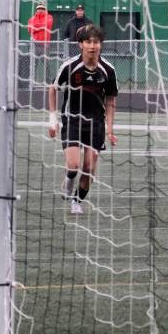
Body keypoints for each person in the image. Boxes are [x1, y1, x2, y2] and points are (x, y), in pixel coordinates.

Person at [47, 24, 119, 214]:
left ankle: (77, 201)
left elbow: (111, 100)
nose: (92, 46)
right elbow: (53, 88)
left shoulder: (108, 70)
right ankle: (69, 180)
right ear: (80, 44)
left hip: (96, 124)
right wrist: (52, 119)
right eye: (88, 41)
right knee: (73, 165)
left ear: (101, 45)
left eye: (96, 42)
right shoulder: (70, 66)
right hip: (72, 120)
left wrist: (110, 129)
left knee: (88, 168)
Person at [28, 0, 54, 83]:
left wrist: (36, 26)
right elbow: (30, 29)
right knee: (33, 65)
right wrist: (41, 26)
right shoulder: (32, 19)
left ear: (45, 9)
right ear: (36, 9)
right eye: (39, 8)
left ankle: (48, 81)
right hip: (34, 45)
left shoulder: (49, 17)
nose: (41, 10)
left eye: (42, 8)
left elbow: (47, 24)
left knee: (47, 65)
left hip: (44, 46)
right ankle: (32, 82)